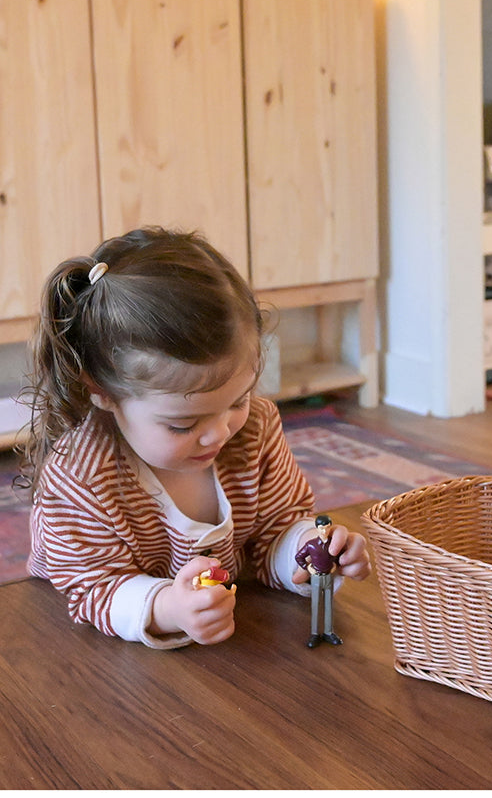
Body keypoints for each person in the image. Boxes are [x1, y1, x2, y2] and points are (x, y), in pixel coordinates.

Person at [23, 226, 371, 650]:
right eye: (183, 425)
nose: (219, 432)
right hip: (79, 644)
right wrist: (168, 606)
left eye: (238, 400)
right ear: (101, 391)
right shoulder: (81, 476)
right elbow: (93, 589)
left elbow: (274, 532)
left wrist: (306, 552)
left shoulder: (256, 428)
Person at [294, 514, 343, 647]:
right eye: (321, 528)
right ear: (317, 528)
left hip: (329, 576)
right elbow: (299, 557)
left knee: (329, 605)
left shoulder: (333, 543)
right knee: (315, 605)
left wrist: (334, 566)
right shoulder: (311, 545)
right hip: (316, 577)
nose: (324, 531)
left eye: (327, 528)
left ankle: (328, 632)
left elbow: (338, 556)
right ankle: (315, 633)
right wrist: (308, 567)